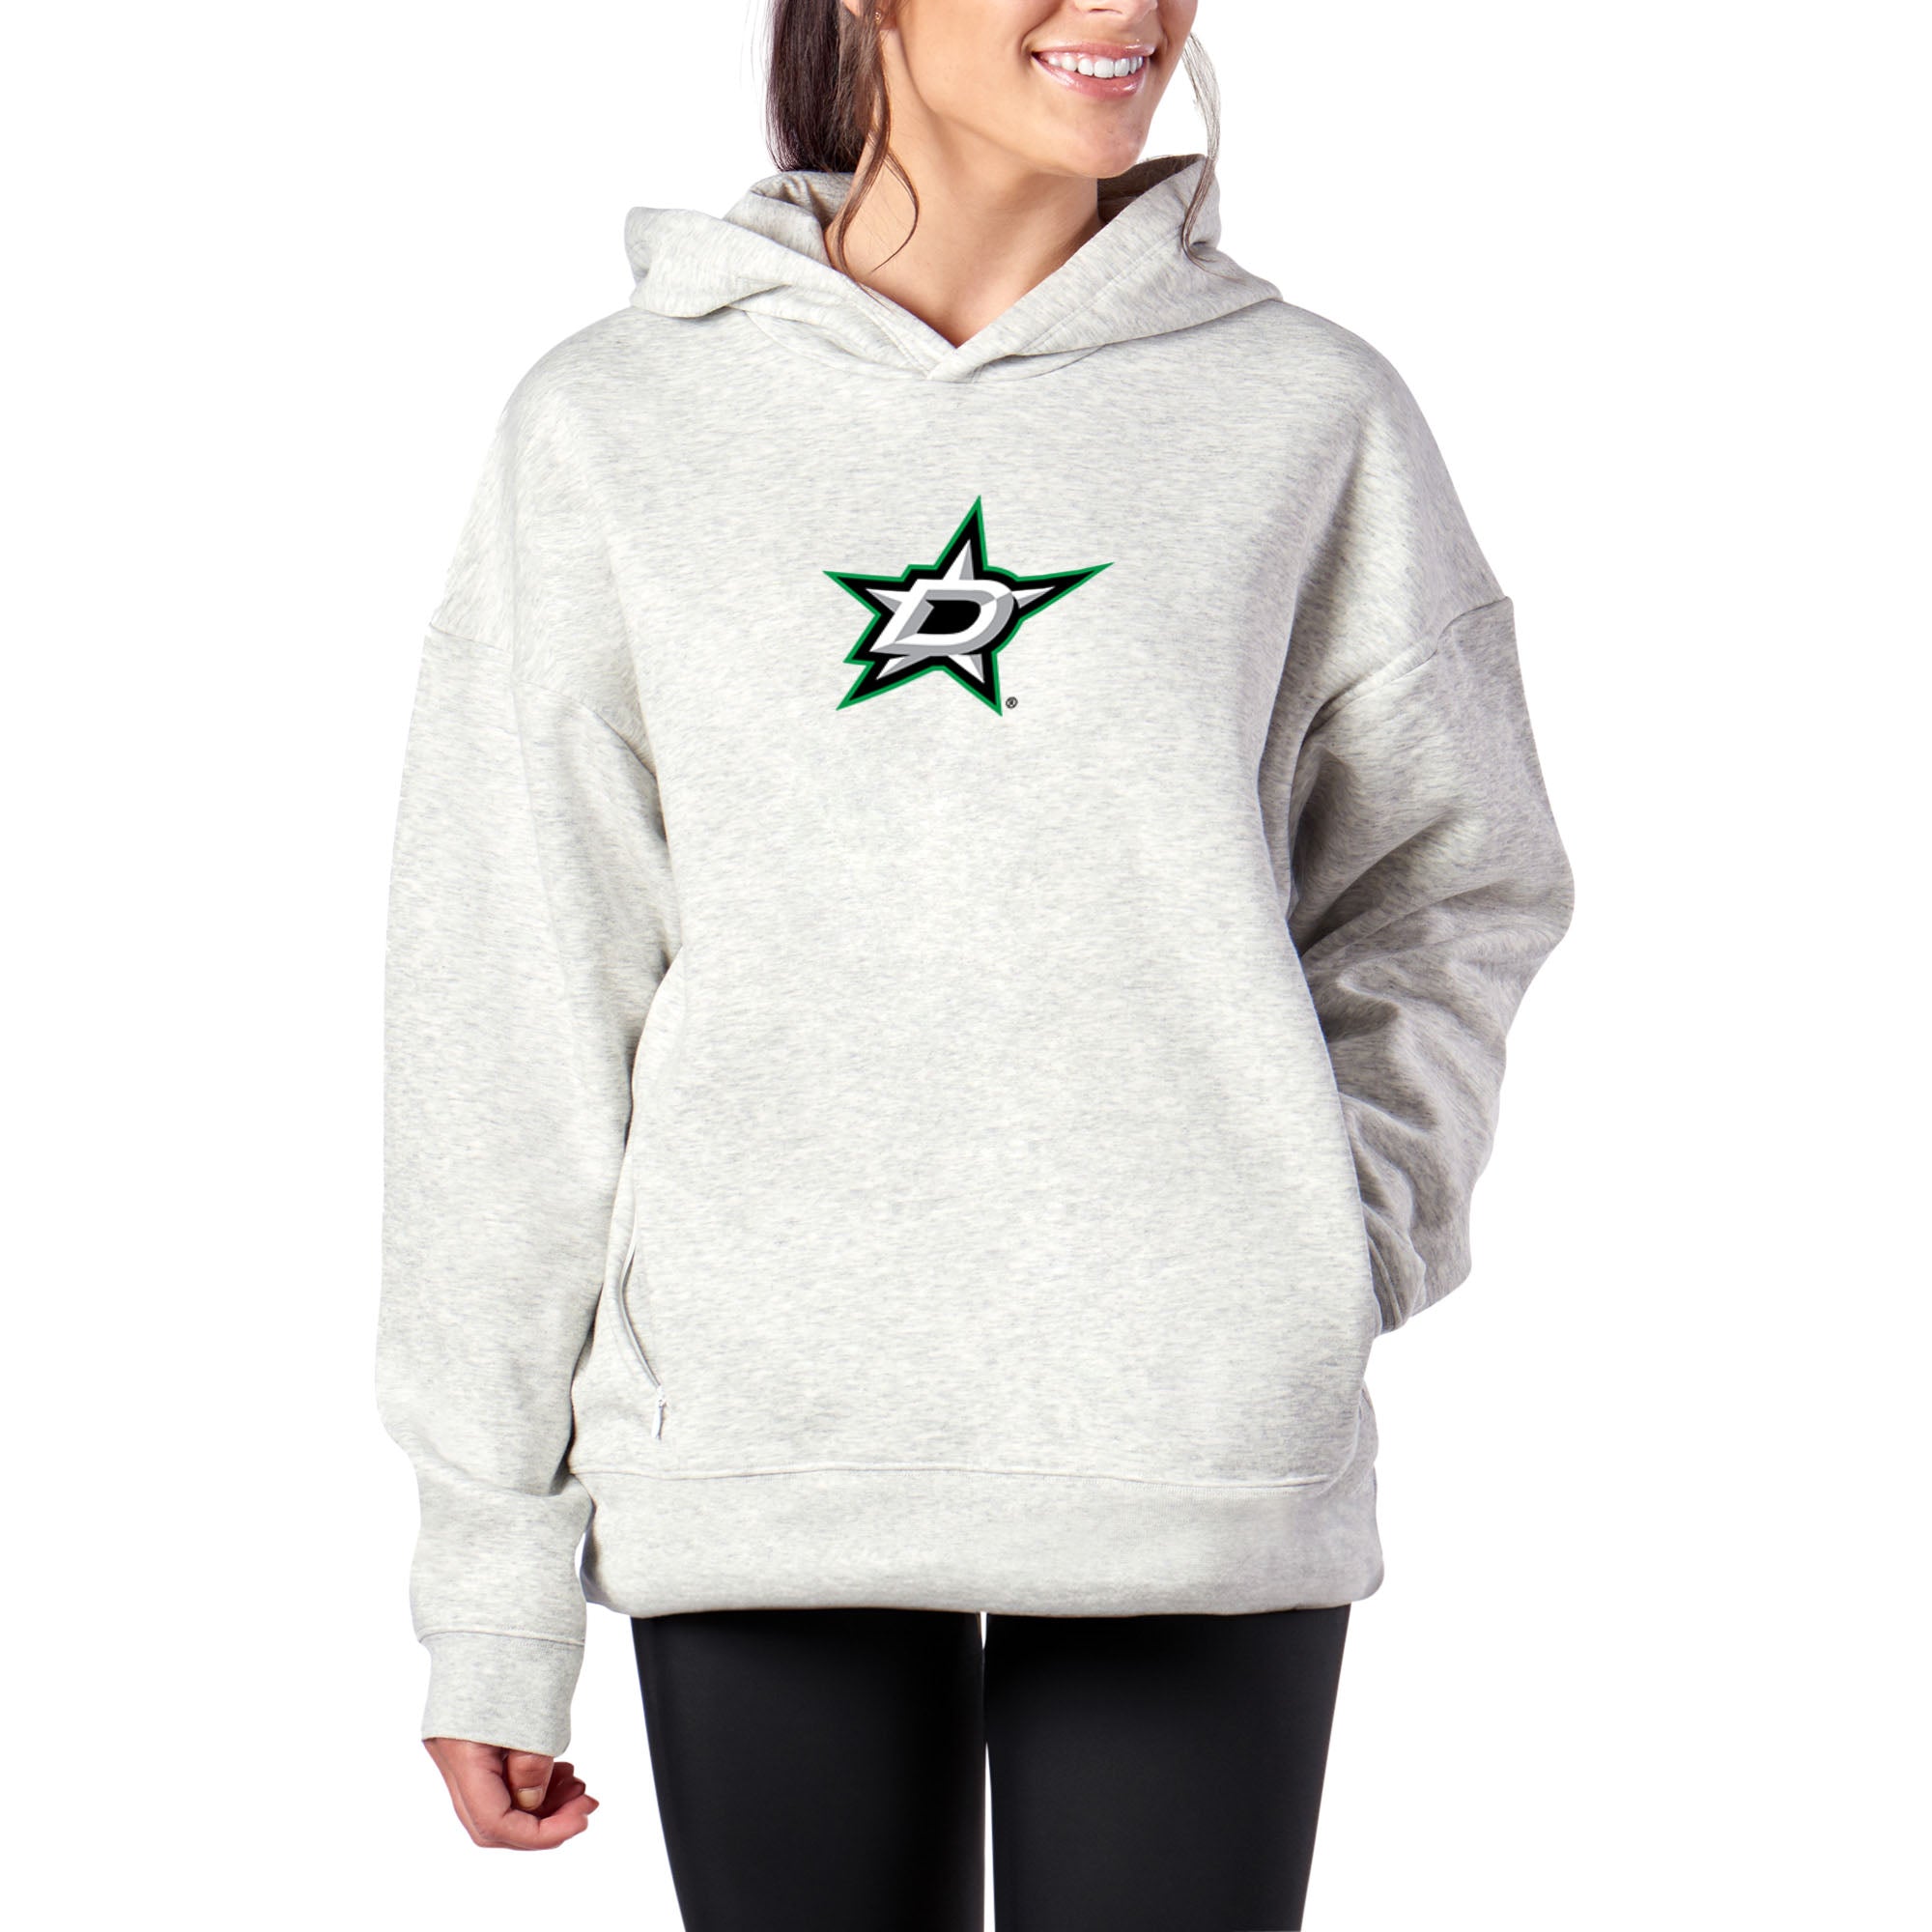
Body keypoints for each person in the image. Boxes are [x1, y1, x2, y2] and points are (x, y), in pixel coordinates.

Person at [376, 1, 1577, 1924]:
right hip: (760, 1456)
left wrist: (1331, 1236)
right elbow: (511, 998)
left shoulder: (1303, 412)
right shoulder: (616, 423)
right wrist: (491, 1578)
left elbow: (1450, 883)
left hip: (1189, 1456)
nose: (1124, 11)